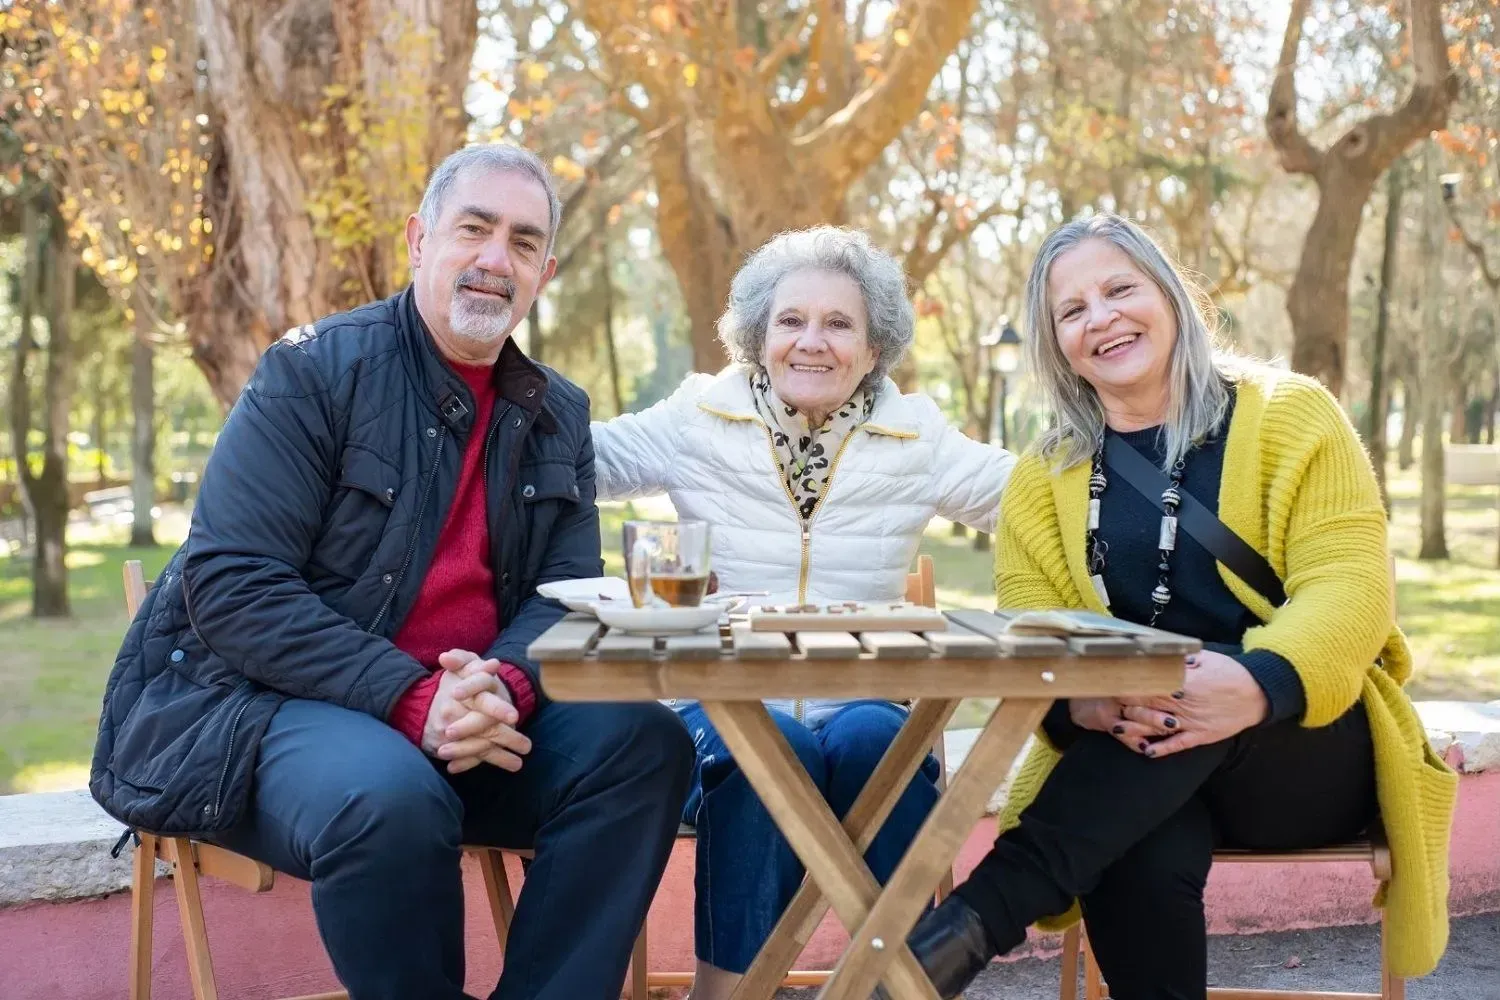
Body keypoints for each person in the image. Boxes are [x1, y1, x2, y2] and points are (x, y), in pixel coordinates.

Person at [90, 144, 695, 1000]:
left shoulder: (557, 412)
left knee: (645, 746)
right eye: (474, 229)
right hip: (272, 712)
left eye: (523, 242)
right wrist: (415, 699)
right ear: (419, 239)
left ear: (544, 273)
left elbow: (565, 599)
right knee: (392, 797)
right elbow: (233, 585)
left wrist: (502, 691)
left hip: (468, 720)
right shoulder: (313, 373)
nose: (495, 258)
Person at [901, 214, 1457, 1000]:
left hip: (1301, 747)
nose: (1102, 318)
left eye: (1120, 288)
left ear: (1170, 294)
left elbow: (1352, 589)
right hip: (1136, 762)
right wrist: (1088, 707)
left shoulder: (1291, 414)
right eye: (1073, 309)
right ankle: (948, 943)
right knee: (1140, 846)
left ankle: (973, 922)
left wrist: (1254, 680)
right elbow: (1035, 637)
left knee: (1181, 704)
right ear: (1054, 340)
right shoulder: (1045, 475)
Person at [591, 226, 1016, 998]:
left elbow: (1032, 498)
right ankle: (725, 993)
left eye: (838, 323)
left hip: (864, 696)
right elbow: (577, 462)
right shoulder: (697, 417)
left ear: (874, 345)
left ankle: (895, 984)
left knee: (876, 739)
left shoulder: (916, 436)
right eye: (790, 321)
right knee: (766, 748)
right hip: (711, 711)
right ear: (758, 334)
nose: (810, 343)